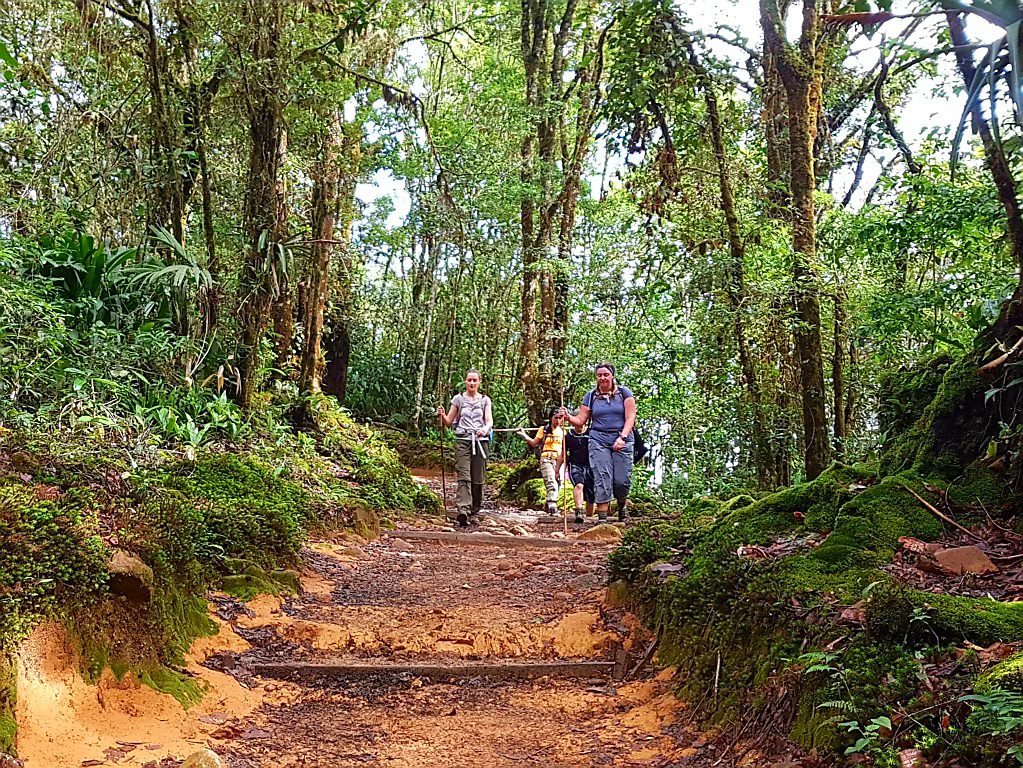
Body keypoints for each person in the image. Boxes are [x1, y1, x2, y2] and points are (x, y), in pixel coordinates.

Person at [562, 362, 636, 523]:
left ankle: (622, 505)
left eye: (606, 375)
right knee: (602, 476)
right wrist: (568, 417)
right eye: (599, 375)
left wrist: (622, 437)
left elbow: (630, 417)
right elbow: (580, 420)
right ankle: (602, 517)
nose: (602, 378)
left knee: (621, 481)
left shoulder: (624, 393)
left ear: (612, 376)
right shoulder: (591, 396)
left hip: (622, 438)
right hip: (598, 440)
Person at [437, 369, 493, 527]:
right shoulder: (458, 399)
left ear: (479, 382)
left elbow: (489, 420)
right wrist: (442, 415)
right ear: (465, 381)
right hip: (463, 440)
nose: (472, 383)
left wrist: (485, 429)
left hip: (480, 441)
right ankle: (463, 510)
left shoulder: (485, 400)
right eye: (469, 380)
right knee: (464, 475)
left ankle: (474, 511)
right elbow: (449, 421)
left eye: (475, 380)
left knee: (478, 478)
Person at [517, 408, 565, 517]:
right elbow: (534, 443)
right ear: (551, 418)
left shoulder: (563, 431)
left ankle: (548, 504)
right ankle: (552, 506)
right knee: (551, 481)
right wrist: (524, 435)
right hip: (546, 458)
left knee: (559, 482)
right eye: (556, 418)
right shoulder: (543, 430)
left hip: (559, 459)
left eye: (560, 418)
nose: (558, 420)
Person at [565, 417, 595, 524]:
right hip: (575, 464)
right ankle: (578, 511)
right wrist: (558, 469)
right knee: (579, 485)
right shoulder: (568, 436)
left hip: (591, 465)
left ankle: (589, 517)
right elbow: (563, 454)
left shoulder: (591, 433)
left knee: (591, 495)